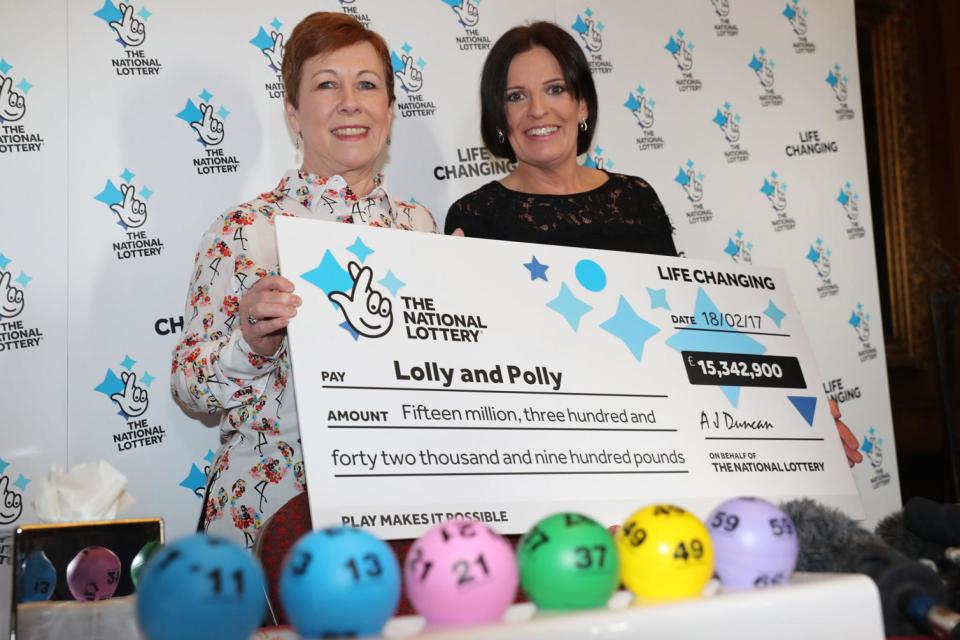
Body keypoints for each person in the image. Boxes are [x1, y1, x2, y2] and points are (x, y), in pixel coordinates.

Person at [171, 12, 436, 548]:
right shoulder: (245, 229)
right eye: (325, 85)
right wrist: (249, 342)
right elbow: (187, 386)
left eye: (367, 84)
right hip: (270, 520)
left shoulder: (421, 226)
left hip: (399, 511)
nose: (350, 102)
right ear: (292, 113)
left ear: (388, 106)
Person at [444, 21, 677, 257]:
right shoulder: (473, 217)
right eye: (516, 96)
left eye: (555, 90)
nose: (537, 110)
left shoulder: (637, 198)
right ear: (499, 119)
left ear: (583, 106)